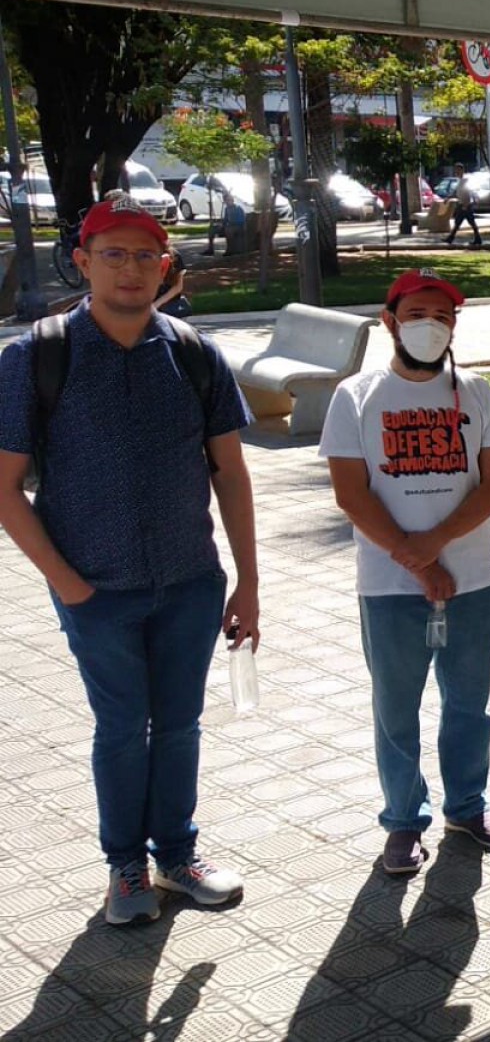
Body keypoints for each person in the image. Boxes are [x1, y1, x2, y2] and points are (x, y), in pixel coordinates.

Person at [0, 194, 257, 924]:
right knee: (121, 727)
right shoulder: (34, 358)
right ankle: (126, 868)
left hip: (190, 585)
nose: (132, 269)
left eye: (147, 255)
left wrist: (248, 583)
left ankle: (176, 854)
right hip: (97, 590)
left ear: (166, 266)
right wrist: (68, 585)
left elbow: (230, 474)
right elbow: (6, 487)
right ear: (81, 262)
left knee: (178, 725)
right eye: (113, 253)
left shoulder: (193, 353)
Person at [318, 269, 490, 875]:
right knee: (396, 710)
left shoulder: (477, 393)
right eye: (418, 315)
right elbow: (352, 494)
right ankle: (404, 821)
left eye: (443, 316)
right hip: (388, 589)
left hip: (473, 582)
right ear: (389, 322)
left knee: (468, 703)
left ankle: (466, 805)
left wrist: (434, 545)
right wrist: (415, 560)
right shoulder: (356, 396)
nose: (431, 327)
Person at [446, 163, 481, 247]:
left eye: (457, 170)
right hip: (462, 204)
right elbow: (456, 192)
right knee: (460, 222)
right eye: (455, 170)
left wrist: (465, 205)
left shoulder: (465, 180)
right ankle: (450, 238)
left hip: (465, 205)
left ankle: (477, 239)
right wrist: (447, 198)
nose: (456, 172)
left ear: (462, 170)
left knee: (469, 222)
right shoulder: (460, 181)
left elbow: (467, 192)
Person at [154, 247, 191, 318]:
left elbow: (178, 287)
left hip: (170, 307)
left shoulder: (175, 255)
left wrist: (156, 304)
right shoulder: (141, 257)